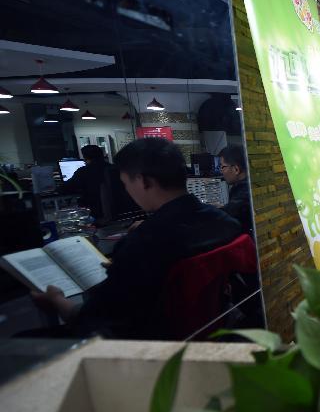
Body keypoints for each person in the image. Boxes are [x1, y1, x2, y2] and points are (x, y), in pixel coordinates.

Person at [31, 138, 242, 339]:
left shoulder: (142, 244)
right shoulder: (225, 223)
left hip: (152, 345)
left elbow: (95, 317)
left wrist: (57, 301)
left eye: (125, 183)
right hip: (219, 330)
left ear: (143, 181)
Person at [57, 145, 109, 218]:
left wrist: (57, 188)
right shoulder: (112, 168)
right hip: (116, 208)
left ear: (86, 157)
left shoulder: (83, 171)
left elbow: (66, 188)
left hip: (94, 211)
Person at [218, 145, 253, 233]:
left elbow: (230, 215)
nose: (221, 171)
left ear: (236, 169)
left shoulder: (243, 193)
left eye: (222, 167)